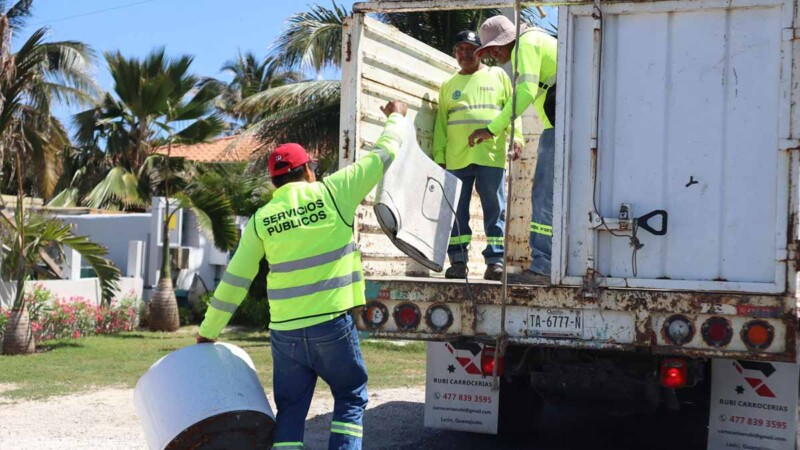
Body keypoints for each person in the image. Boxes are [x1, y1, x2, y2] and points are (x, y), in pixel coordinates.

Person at [195, 100, 409, 450]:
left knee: (291, 410)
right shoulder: (334, 192)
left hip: (286, 333)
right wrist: (396, 116)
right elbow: (384, 154)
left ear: (274, 181)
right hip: (332, 327)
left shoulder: (262, 219)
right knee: (350, 395)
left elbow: (235, 280)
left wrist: (208, 331)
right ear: (309, 170)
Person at [468, 15, 557, 284]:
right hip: (562, 124)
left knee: (543, 196)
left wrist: (492, 129)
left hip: (560, 127)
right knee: (550, 196)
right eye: (488, 50)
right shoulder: (536, 40)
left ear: (509, 38)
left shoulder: (526, 44)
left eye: (496, 46)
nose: (493, 53)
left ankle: (543, 266)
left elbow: (525, 92)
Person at [434, 30, 524, 281]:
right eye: (460, 49)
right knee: (456, 211)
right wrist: (440, 156)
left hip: (490, 156)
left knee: (495, 210)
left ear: (480, 52)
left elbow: (512, 111)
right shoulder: (448, 85)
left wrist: (517, 138)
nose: (465, 54)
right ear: (455, 53)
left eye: (470, 48)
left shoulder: (498, 76)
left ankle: (495, 262)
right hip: (456, 158)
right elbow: (441, 125)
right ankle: (458, 261)